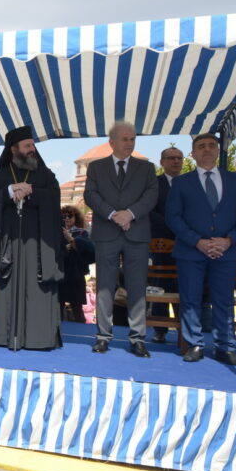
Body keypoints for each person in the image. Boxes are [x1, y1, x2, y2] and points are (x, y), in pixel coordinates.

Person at [167, 133, 236, 366]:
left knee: (224, 300)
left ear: (218, 151)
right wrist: (198, 242)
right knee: (190, 298)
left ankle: (225, 347)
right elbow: (173, 217)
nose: (207, 149)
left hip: (226, 251)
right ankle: (194, 344)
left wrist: (229, 240)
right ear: (193, 153)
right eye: (201, 146)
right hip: (191, 251)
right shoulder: (181, 182)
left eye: (211, 145)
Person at [0, 126, 63, 350]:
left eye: (32, 145)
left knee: (37, 289)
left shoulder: (45, 174)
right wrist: (9, 191)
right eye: (27, 146)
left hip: (37, 245)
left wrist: (30, 191)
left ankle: (38, 338)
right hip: (8, 244)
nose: (32, 149)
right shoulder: (0, 175)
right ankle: (4, 335)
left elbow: (54, 196)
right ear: (13, 149)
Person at [83, 122, 157, 357]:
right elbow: (90, 195)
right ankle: (103, 336)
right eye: (125, 139)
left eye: (133, 139)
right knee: (105, 286)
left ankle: (137, 338)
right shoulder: (96, 167)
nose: (130, 143)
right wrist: (114, 214)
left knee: (137, 286)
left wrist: (130, 214)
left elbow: (151, 195)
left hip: (137, 233)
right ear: (111, 142)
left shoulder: (147, 168)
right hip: (107, 233)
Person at [149, 146, 185, 343]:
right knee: (160, 286)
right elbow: (149, 211)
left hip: (186, 243)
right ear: (162, 162)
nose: (176, 161)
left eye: (179, 158)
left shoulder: (190, 183)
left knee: (184, 287)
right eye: (171, 158)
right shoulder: (154, 184)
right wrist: (173, 225)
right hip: (161, 244)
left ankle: (184, 329)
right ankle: (160, 329)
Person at [59, 206, 94, 323]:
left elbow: (84, 251)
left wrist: (69, 238)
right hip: (61, 271)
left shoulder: (82, 232)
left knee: (77, 307)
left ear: (76, 217)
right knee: (58, 306)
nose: (67, 218)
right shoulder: (56, 232)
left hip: (75, 272)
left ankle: (81, 331)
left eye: (70, 216)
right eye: (64, 216)